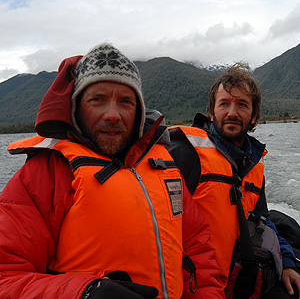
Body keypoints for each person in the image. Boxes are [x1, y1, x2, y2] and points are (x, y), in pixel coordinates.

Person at [0, 43, 225, 299]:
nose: (113, 115)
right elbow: (6, 277)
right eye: (98, 100)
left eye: (126, 102)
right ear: (76, 108)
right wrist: (84, 294)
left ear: (138, 112)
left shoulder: (164, 165)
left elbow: (196, 246)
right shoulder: (46, 174)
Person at [168, 63, 300, 298]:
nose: (232, 112)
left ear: (254, 116)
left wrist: (287, 263)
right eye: (224, 104)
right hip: (191, 283)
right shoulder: (185, 152)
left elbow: (263, 220)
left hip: (236, 280)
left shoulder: (254, 165)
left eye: (242, 105)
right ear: (211, 112)